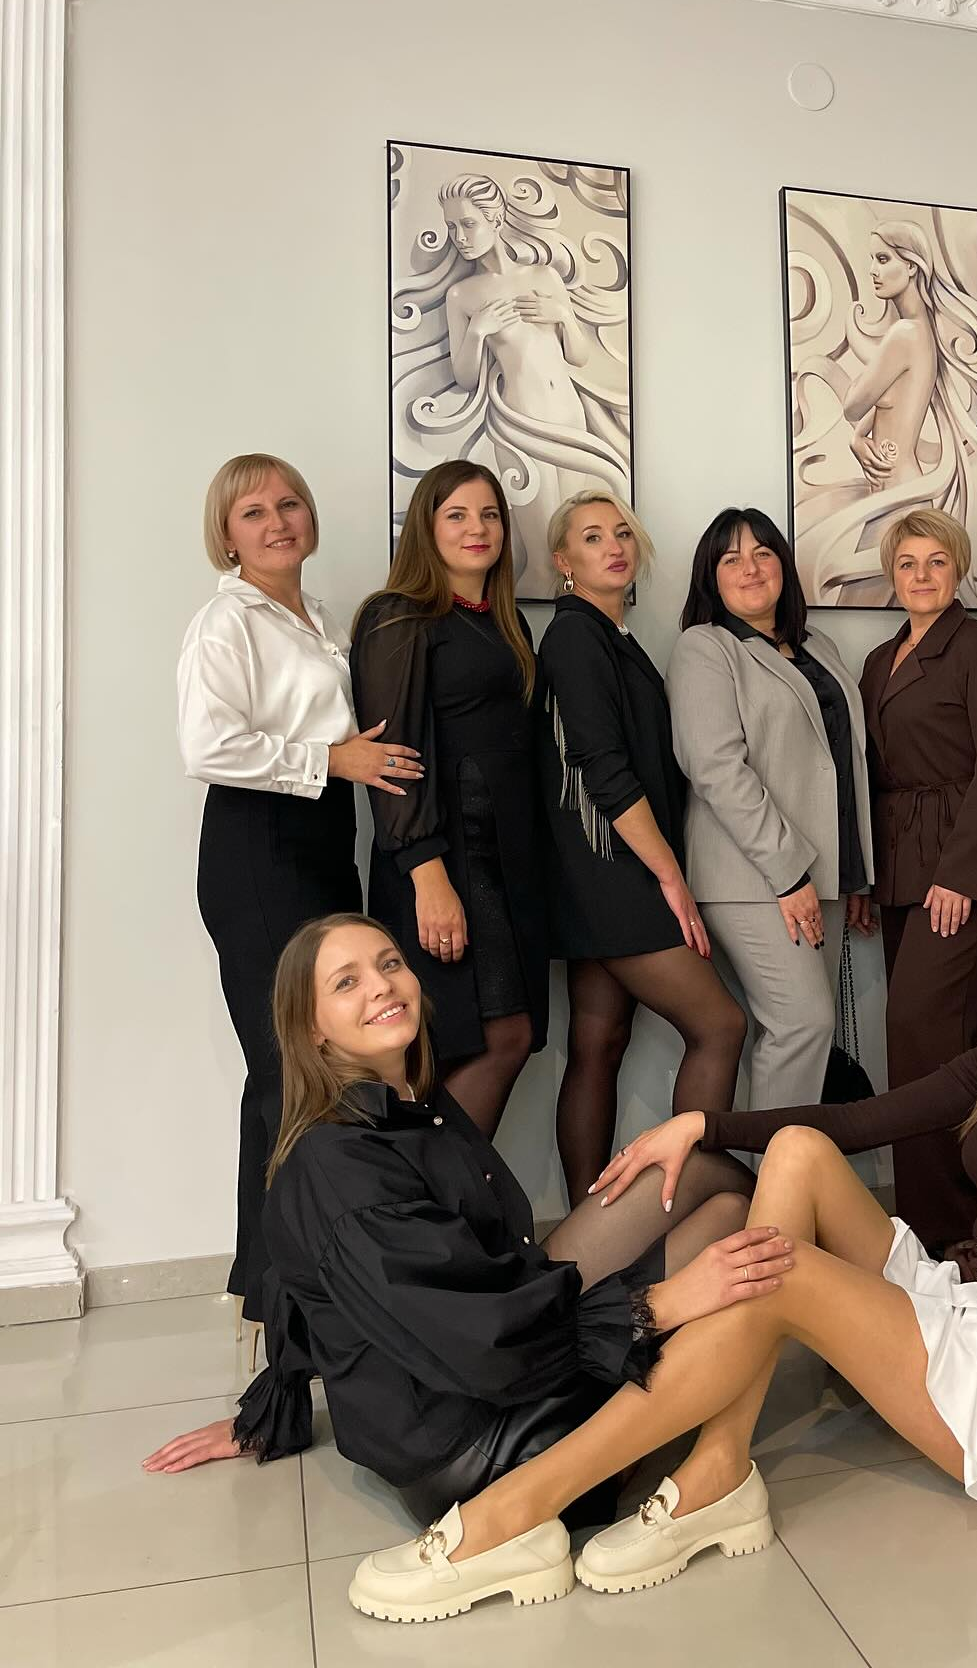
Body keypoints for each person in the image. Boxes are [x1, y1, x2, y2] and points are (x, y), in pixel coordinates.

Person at [339, 861, 977, 1624]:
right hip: (975, 1307)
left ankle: (519, 1510)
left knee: (773, 1274)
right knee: (795, 1153)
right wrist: (703, 1125)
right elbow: (856, 1122)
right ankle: (721, 1467)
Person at [141, 915, 782, 1557]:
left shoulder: (411, 1105)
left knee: (700, 1173)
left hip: (488, 1357)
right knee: (730, 1228)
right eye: (346, 982)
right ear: (312, 1028)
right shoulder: (338, 1164)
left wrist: (275, 1401)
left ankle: (778, 1322)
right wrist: (657, 1306)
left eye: (390, 964)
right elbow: (477, 1344)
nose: (381, 986)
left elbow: (303, 1282)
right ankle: (725, 1444)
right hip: (482, 1445)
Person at [178, 455, 420, 1326]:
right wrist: (333, 759)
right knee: (285, 1070)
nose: (277, 522)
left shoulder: (314, 617)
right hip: (258, 847)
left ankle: (311, 1277)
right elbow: (207, 746)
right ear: (227, 534)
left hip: (319, 843)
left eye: (289, 504)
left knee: (323, 1066)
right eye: (253, 512)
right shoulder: (225, 621)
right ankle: (275, 1299)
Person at [538, 490, 747, 1207]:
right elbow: (605, 772)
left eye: (622, 533)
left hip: (596, 874)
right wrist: (671, 878)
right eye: (593, 537)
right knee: (720, 1025)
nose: (614, 547)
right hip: (616, 874)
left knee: (599, 1041)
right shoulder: (575, 636)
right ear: (564, 560)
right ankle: (680, 1211)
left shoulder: (612, 637)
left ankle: (585, 1234)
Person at [349, 460, 547, 1139]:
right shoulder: (398, 617)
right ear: (425, 529)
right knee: (484, 1038)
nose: (477, 528)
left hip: (504, 861)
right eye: (456, 515)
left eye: (489, 514)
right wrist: (427, 876)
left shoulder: (507, 623)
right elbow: (394, 762)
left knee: (499, 1036)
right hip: (446, 858)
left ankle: (438, 1194)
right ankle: (435, 1193)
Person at [667, 507, 876, 1110]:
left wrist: (855, 873)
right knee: (802, 1025)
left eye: (763, 553)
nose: (751, 568)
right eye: (731, 558)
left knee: (807, 1035)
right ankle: (774, 1173)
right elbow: (716, 769)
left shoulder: (818, 647)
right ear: (711, 577)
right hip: (752, 877)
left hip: (822, 874)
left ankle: (791, 1164)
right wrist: (788, 875)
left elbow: (843, 761)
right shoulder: (705, 648)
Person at [859, 507, 977, 1250]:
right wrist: (868, 878)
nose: (921, 575)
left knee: (927, 1036)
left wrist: (963, 874)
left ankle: (945, 1231)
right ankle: (941, 1224)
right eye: (907, 563)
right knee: (921, 1046)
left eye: (935, 561)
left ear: (957, 569)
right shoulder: (878, 660)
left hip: (965, 860)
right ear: (891, 575)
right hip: (902, 866)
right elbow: (869, 777)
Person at [791, 217, 977, 610]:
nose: (873, 270)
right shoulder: (918, 331)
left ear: (913, 266)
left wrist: (857, 423)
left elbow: (853, 403)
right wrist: (858, 437)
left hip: (898, 496)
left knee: (858, 601)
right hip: (897, 490)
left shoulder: (904, 334)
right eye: (872, 259)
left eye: (883, 259)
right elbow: (892, 400)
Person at [437, 174, 631, 587]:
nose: (460, 237)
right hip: (522, 424)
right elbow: (465, 378)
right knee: (544, 556)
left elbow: (577, 356)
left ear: (496, 219)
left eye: (468, 224)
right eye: (452, 227)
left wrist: (563, 317)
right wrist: (477, 332)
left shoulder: (544, 277)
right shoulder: (463, 295)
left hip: (570, 418)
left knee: (575, 553)